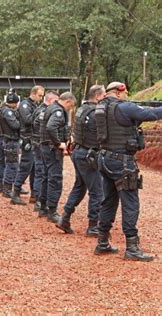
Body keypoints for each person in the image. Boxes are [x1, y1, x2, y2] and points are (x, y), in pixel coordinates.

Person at [94, 81, 162, 261]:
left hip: (104, 158)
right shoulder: (124, 107)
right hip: (122, 161)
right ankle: (132, 247)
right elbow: (152, 113)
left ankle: (102, 242)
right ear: (118, 92)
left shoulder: (100, 107)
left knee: (108, 201)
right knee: (130, 203)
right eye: (125, 94)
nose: (126, 97)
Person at [56, 85, 105, 236]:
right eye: (103, 95)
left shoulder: (82, 109)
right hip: (88, 155)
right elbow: (100, 135)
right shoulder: (96, 112)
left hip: (79, 152)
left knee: (79, 187)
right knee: (97, 191)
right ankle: (92, 226)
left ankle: (65, 218)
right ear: (97, 96)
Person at [39, 92, 76, 223]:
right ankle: (52, 211)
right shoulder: (58, 112)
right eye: (71, 106)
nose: (70, 108)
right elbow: (51, 127)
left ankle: (43, 207)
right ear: (68, 102)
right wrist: (58, 143)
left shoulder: (50, 107)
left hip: (45, 147)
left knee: (46, 177)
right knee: (55, 179)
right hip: (52, 149)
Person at [11, 86, 45, 205]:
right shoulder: (25, 104)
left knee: (35, 168)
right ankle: (15, 193)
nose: (41, 98)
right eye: (40, 95)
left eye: (42, 96)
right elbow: (27, 120)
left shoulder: (36, 105)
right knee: (25, 167)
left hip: (35, 139)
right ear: (33, 93)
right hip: (27, 139)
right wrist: (41, 115)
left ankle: (34, 195)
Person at [32, 91, 59, 213]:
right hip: (41, 143)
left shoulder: (41, 109)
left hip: (39, 142)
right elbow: (37, 124)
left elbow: (35, 123)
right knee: (41, 172)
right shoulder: (45, 110)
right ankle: (38, 199)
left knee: (41, 171)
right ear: (51, 99)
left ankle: (39, 199)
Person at [0, 93, 21, 198]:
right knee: (12, 165)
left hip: (8, 140)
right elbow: (15, 125)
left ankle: (6, 187)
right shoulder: (7, 111)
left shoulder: (3, 109)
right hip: (11, 140)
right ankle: (7, 189)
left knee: (10, 164)